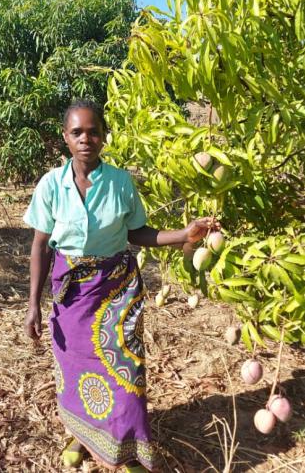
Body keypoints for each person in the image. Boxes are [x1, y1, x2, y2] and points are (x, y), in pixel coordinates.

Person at [22, 100, 220, 472]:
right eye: (77, 132)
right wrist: (33, 302)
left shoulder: (119, 182)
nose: (86, 139)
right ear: (65, 138)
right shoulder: (51, 185)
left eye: (93, 131)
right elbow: (40, 244)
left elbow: (137, 232)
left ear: (103, 137)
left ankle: (127, 450)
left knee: (126, 371)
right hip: (71, 295)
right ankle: (80, 436)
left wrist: (185, 234)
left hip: (116, 291)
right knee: (75, 368)